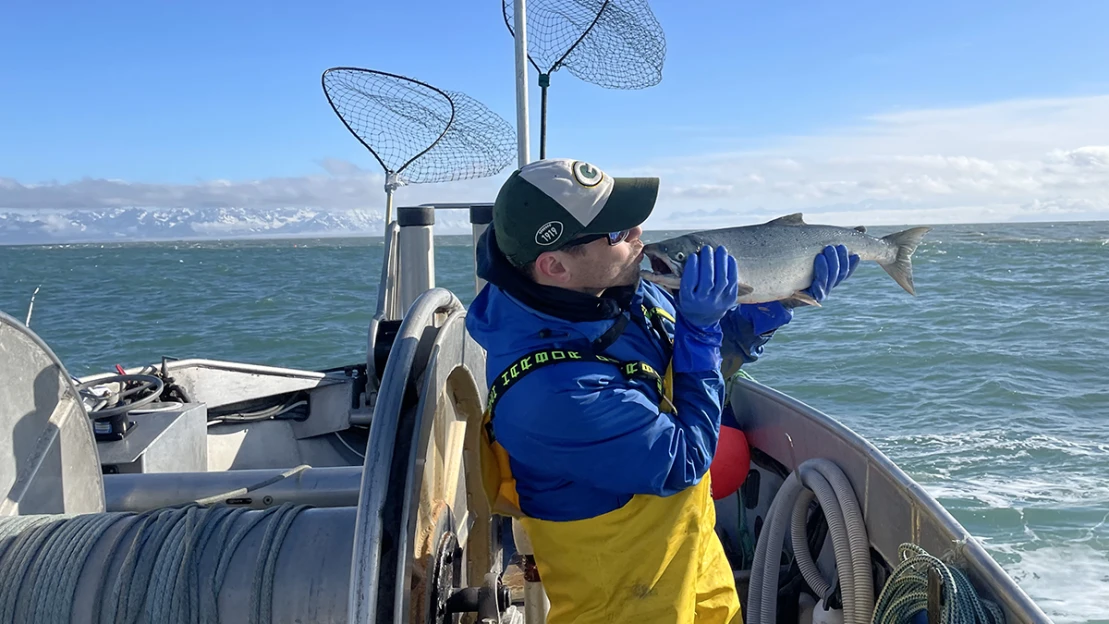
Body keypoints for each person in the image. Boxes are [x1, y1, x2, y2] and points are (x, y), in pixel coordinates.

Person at [465, 158, 857, 624]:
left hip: (693, 561)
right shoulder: (549, 395)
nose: (638, 233)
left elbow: (699, 344)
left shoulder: (612, 290)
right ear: (555, 265)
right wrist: (701, 334)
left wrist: (771, 305)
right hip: (625, 605)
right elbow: (685, 460)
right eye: (616, 233)